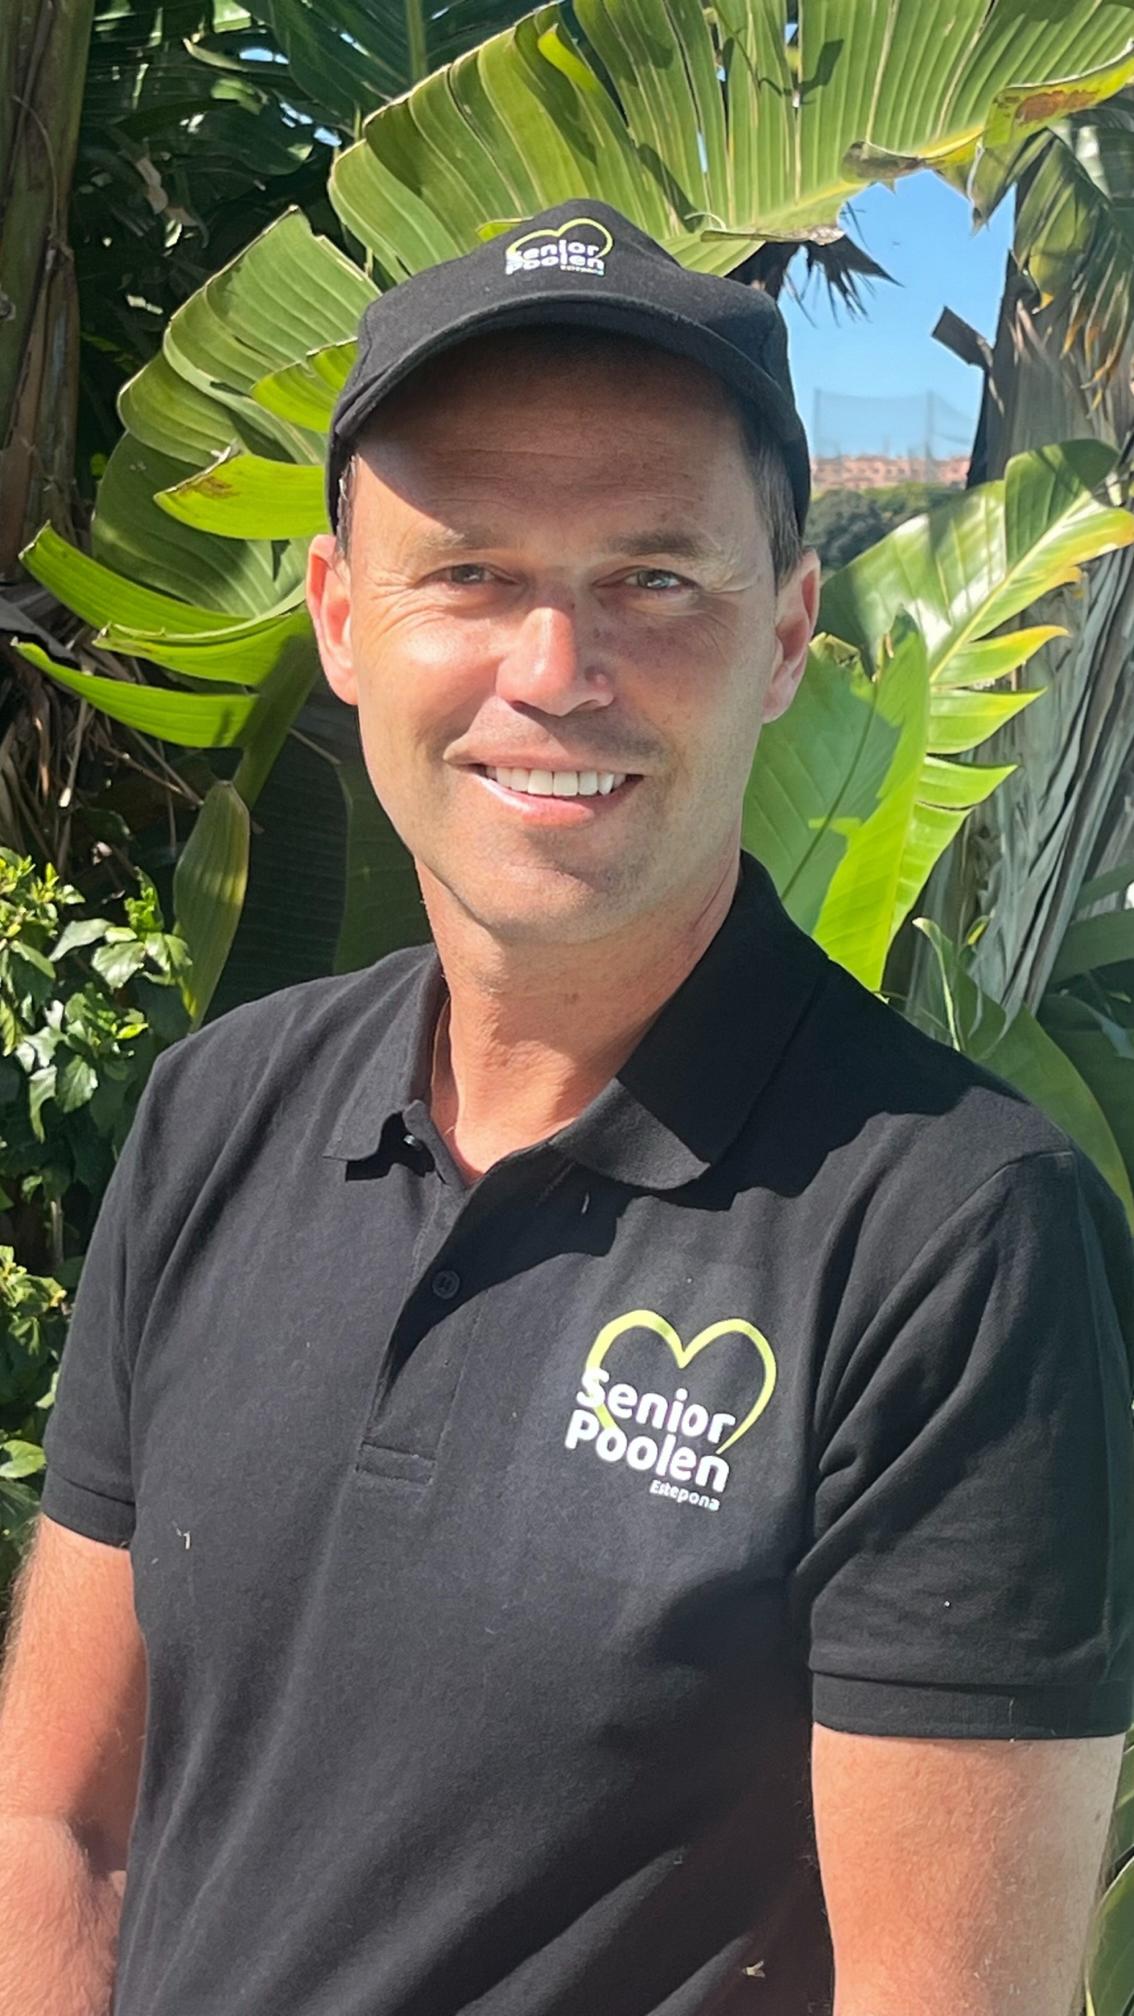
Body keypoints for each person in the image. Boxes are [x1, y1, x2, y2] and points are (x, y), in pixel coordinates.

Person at [1, 197, 1132, 2016]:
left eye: (651, 581)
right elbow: (67, 1819)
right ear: (342, 614)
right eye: (469, 572)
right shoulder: (218, 1112)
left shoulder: (949, 1237)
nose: (553, 670)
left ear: (781, 639)